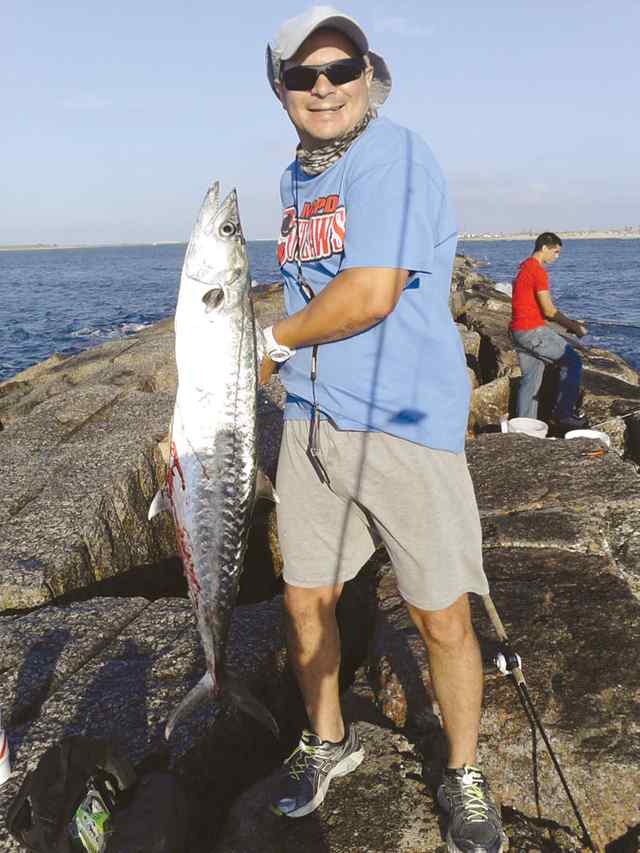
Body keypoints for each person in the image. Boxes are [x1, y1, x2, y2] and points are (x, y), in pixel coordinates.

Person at [260, 7, 506, 852]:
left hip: (400, 424)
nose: (324, 87)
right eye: (304, 75)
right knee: (305, 600)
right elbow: (312, 287)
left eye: (341, 69)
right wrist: (281, 365)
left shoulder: (394, 156)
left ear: (369, 75)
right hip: (312, 421)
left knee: (441, 614)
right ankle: (328, 738)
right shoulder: (297, 177)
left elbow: (369, 292)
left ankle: (463, 771)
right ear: (281, 88)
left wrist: (267, 342)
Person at [511, 232, 588, 428]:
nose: (557, 256)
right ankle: (563, 415)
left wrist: (569, 322)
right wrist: (575, 327)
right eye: (556, 252)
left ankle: (524, 426)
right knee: (572, 362)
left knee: (530, 381)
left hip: (518, 332)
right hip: (532, 332)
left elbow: (534, 309)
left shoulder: (523, 268)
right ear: (544, 247)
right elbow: (549, 310)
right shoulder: (538, 271)